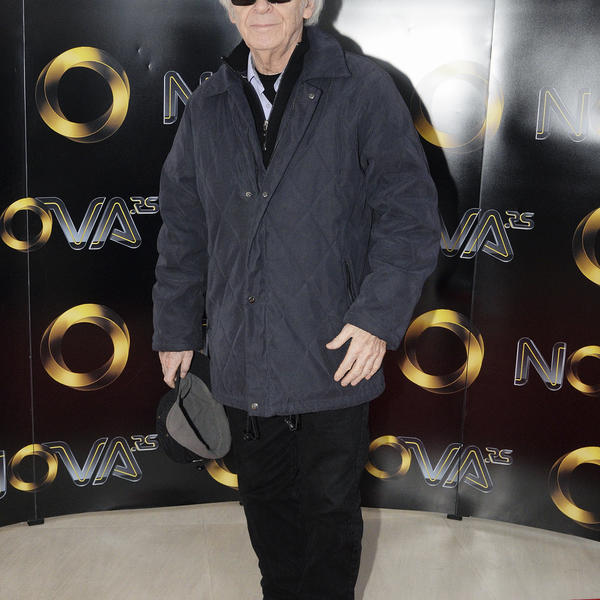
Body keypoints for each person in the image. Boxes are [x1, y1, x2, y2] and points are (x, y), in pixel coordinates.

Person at [152, 0, 440, 598]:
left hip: (335, 353)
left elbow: (409, 216)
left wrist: (376, 318)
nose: (260, 6)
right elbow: (183, 229)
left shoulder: (363, 90)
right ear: (228, 9)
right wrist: (175, 327)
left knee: (330, 516)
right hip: (242, 355)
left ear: (307, 4)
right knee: (266, 510)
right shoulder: (207, 105)